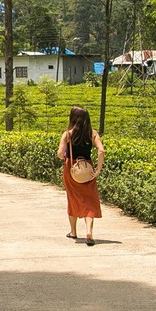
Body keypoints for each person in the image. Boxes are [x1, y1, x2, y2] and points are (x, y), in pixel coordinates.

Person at [56, 105, 104, 245]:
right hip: (88, 169)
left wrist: (66, 154)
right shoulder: (93, 133)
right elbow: (101, 151)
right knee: (89, 200)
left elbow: (60, 154)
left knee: (73, 199)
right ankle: (89, 231)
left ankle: (73, 232)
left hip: (71, 168)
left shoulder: (67, 134)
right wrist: (98, 170)